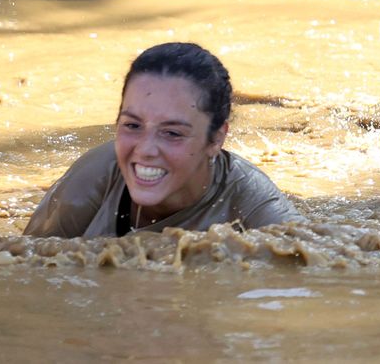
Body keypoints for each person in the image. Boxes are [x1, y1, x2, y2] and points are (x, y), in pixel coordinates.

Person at [24, 42, 298, 237]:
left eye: (172, 133)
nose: (144, 150)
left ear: (216, 139)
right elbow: (26, 274)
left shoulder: (255, 208)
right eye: (132, 125)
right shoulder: (94, 179)